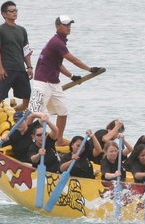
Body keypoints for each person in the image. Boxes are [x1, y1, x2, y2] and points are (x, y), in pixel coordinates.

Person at [32, 15, 100, 147]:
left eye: (70, 24)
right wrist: (90, 69)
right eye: (65, 24)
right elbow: (73, 60)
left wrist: (71, 76)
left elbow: (57, 63)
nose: (69, 27)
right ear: (57, 27)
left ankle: (58, 139)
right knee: (35, 113)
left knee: (63, 111)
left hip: (53, 82)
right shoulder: (57, 42)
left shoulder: (61, 41)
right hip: (41, 81)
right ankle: (31, 140)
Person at [0, 0, 34, 135]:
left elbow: (26, 50)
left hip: (20, 68)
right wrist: (0, 68)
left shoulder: (22, 30)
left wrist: (29, 66)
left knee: (27, 97)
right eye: (11, 11)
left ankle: (21, 122)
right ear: (4, 14)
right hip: (7, 69)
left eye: (16, 10)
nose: (14, 13)